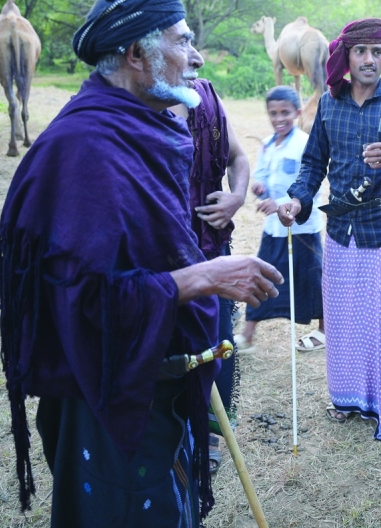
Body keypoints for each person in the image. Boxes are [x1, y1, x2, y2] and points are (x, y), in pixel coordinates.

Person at [0, 0, 283, 527]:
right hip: (111, 389)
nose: (196, 55)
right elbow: (80, 300)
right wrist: (203, 278)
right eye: (182, 41)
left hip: (155, 375)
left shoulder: (139, 127)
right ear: (135, 54)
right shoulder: (86, 147)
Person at [277, 18, 381, 442]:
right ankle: (348, 397)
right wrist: (299, 200)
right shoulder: (328, 104)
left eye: (378, 52)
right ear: (348, 55)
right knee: (340, 320)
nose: (371, 60)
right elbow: (312, 164)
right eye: (362, 51)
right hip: (339, 230)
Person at [170, 75, 249, 478]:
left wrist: (236, 197)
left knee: (220, 343)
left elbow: (238, 158)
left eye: (191, 43)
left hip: (211, 249)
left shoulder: (204, 98)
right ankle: (174, 433)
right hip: (162, 261)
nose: (194, 57)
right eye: (181, 43)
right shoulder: (132, 109)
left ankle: (212, 435)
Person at [239, 85, 325, 352]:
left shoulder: (304, 144)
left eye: (285, 112)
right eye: (273, 113)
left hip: (302, 229)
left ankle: (324, 331)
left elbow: (312, 185)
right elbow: (262, 176)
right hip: (274, 230)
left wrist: (281, 203)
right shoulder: (266, 145)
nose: (279, 119)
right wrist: (259, 188)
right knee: (261, 276)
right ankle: (247, 336)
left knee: (313, 278)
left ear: (297, 112)